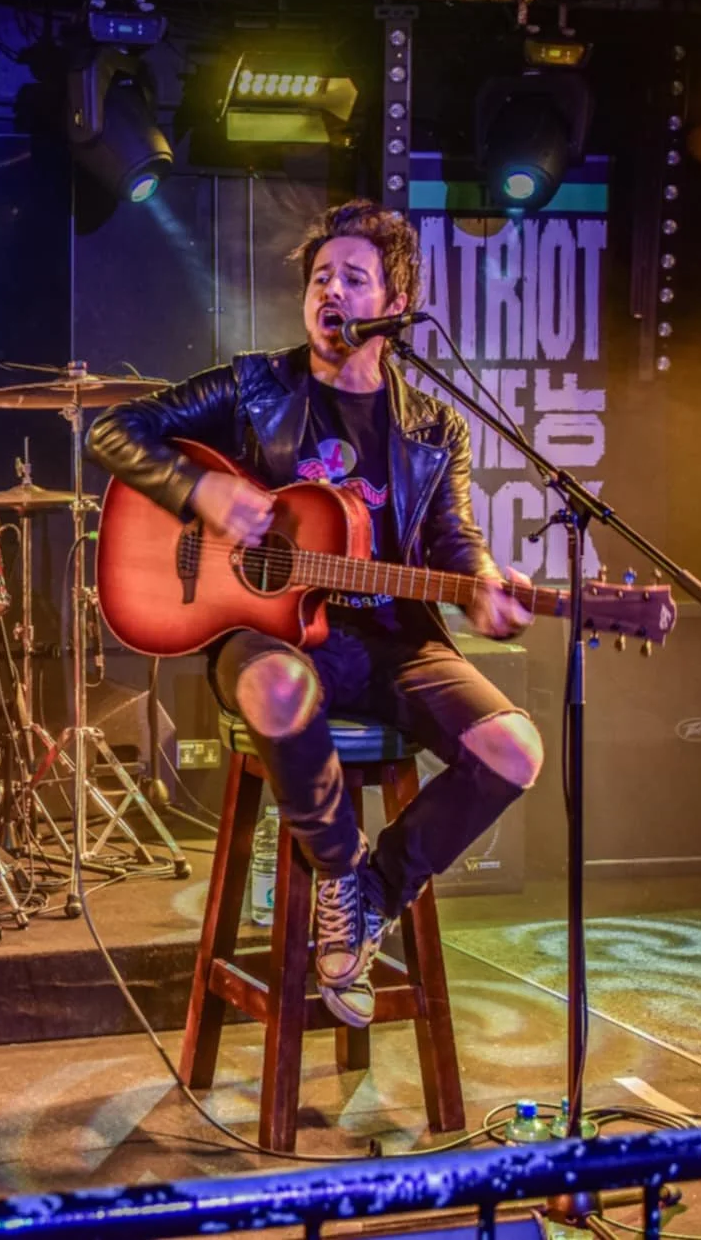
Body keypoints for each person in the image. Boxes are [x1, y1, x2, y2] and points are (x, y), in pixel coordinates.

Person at [87, 199, 543, 1028]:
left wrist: (481, 583)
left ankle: (371, 894)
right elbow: (116, 431)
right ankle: (336, 873)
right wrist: (200, 488)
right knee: (280, 693)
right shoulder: (256, 385)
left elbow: (454, 539)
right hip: (266, 635)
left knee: (515, 749)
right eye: (321, 276)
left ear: (394, 302)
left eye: (354, 277)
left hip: (391, 642)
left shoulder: (434, 423)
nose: (331, 289)